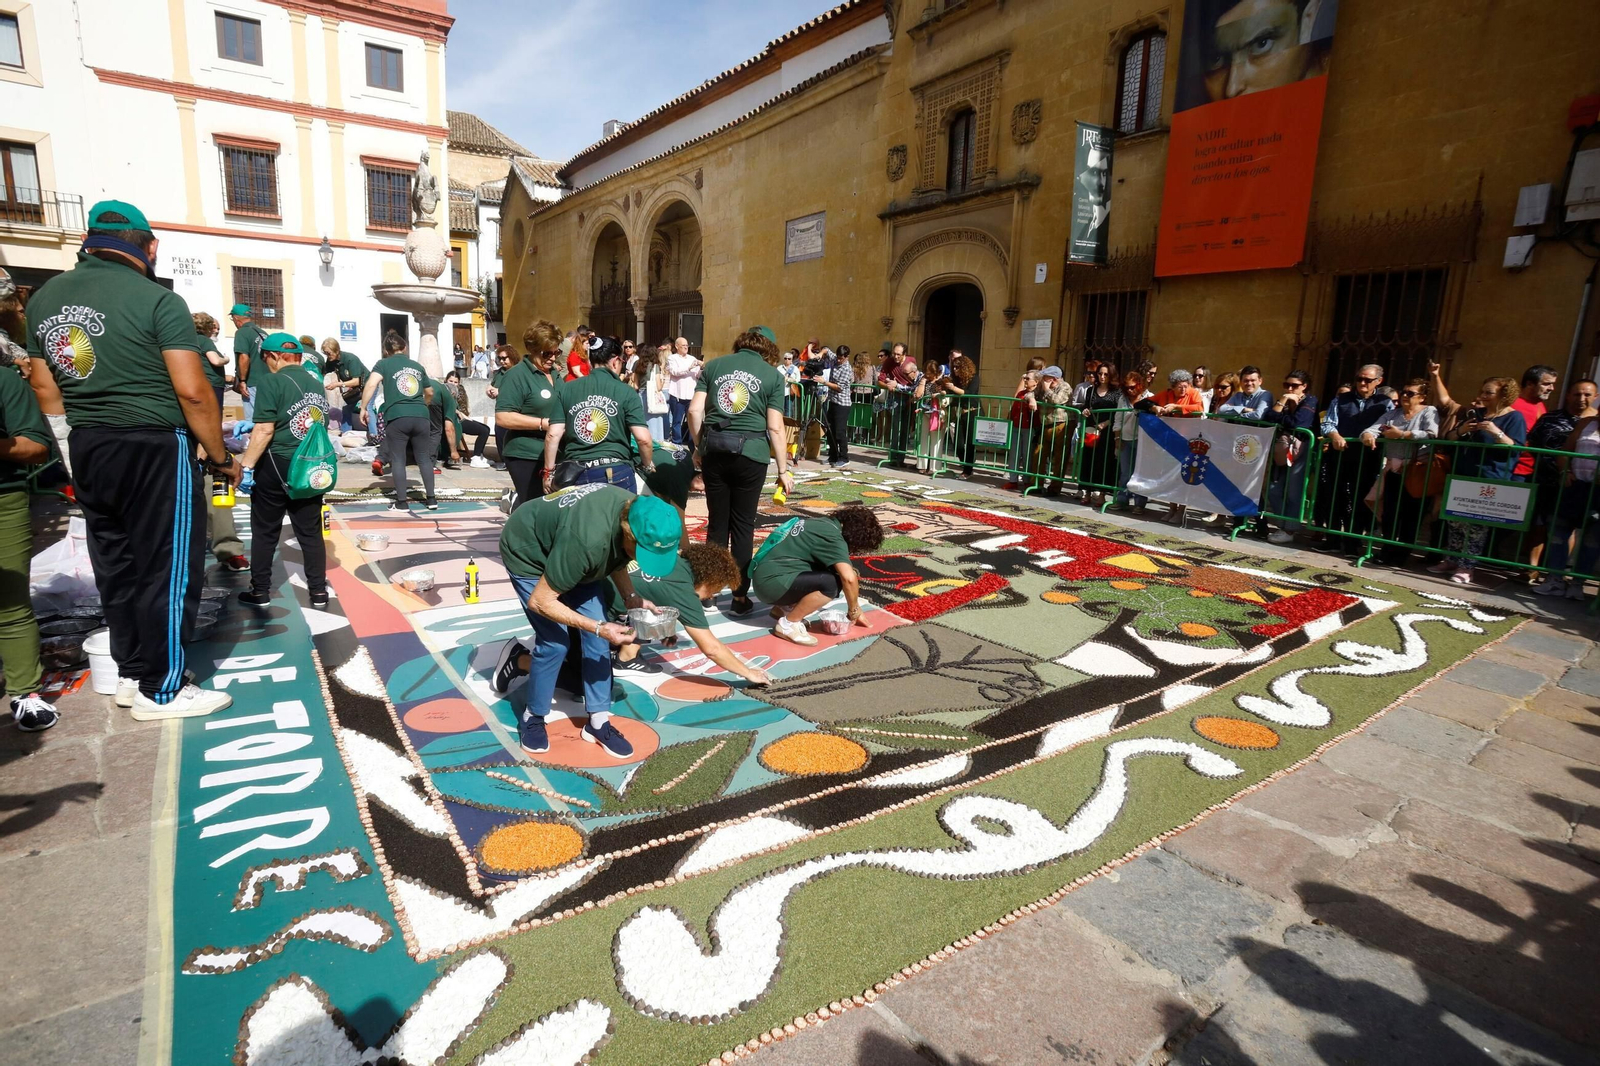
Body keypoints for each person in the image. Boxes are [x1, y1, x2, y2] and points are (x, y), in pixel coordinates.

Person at [26, 199, 238, 719]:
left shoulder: (44, 299)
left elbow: (44, 385)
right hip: (154, 443)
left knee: (116, 565)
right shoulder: (156, 299)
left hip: (89, 442)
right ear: (149, 247)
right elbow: (192, 391)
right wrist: (218, 456)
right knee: (168, 568)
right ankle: (162, 688)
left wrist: (70, 449)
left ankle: (131, 672)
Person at [493, 485, 683, 759]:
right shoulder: (587, 541)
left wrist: (631, 597)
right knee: (555, 642)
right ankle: (533, 715)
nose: (642, 560)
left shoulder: (637, 513)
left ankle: (598, 722)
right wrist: (597, 625)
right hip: (529, 551)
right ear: (626, 532)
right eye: (641, 552)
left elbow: (616, 558)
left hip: (569, 551)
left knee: (597, 639)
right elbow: (541, 602)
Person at [688, 325, 792, 616]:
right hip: (752, 455)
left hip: (716, 451)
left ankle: (707, 591)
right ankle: (739, 596)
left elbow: (695, 411)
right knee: (743, 527)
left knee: (717, 523)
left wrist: (700, 446)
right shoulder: (774, 376)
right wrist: (783, 469)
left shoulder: (716, 365)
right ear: (769, 349)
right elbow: (775, 426)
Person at [236, 333, 332, 609]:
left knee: (266, 530)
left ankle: (260, 590)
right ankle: (318, 592)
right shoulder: (316, 385)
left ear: (275, 356)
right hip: (310, 466)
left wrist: (247, 466)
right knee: (310, 533)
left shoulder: (271, 382)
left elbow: (265, 429)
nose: (265, 364)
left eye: (265, 358)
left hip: (277, 464)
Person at [0, 357, 60, 729]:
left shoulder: (6, 381)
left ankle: (25, 691)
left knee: (9, 599)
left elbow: (37, 447)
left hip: (3, 499)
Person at [1431, 377, 1527, 585]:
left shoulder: (1514, 418)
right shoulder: (1476, 414)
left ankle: (1467, 567)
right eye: (1482, 391)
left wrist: (1496, 432)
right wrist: (1461, 431)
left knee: (1475, 525)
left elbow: (1516, 447)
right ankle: (1451, 559)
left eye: (1488, 392)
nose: (1482, 396)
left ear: (1504, 394)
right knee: (1455, 520)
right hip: (1463, 474)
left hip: (1489, 477)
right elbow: (1450, 438)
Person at [750, 506, 883, 646]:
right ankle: (789, 624)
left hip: (766, 578)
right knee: (832, 583)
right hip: (772, 584)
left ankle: (783, 609)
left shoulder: (823, 523)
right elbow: (848, 579)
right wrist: (854, 610)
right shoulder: (833, 537)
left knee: (830, 569)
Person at [544, 336, 653, 494]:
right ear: (615, 361)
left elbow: (553, 435)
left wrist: (548, 473)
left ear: (589, 361)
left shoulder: (567, 389)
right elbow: (643, 439)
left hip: (576, 472)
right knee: (618, 518)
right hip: (616, 471)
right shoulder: (626, 392)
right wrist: (647, 465)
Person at [1361, 377, 1438, 566]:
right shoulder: (1393, 414)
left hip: (1418, 472)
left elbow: (1431, 434)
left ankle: (1402, 554)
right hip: (1394, 471)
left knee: (1411, 516)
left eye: (1410, 393)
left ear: (1422, 397)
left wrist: (1403, 435)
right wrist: (1368, 435)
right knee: (1390, 513)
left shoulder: (1429, 411)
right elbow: (1372, 428)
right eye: (1403, 392)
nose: (1404, 396)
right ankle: (1387, 550)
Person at [1317, 363, 1392, 553]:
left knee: (1361, 499)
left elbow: (1387, 426)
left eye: (1368, 380)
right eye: (1359, 379)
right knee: (1335, 496)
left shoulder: (1385, 403)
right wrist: (1335, 436)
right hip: (1340, 454)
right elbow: (1328, 423)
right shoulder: (1341, 399)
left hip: (1368, 457)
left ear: (1378, 381)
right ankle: (1332, 538)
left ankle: (1354, 541)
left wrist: (1373, 435)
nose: (1362, 383)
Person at [195, 312, 249, 573]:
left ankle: (228, 549)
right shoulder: (197, 346)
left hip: (205, 423)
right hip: (180, 428)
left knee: (217, 481)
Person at [359, 331, 435, 512]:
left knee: (398, 459)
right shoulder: (416, 366)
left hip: (397, 415)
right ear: (405, 348)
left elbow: (371, 384)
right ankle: (431, 499)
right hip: (421, 416)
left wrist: (363, 408)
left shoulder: (383, 364)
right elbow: (430, 391)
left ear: (386, 351)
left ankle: (402, 502)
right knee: (424, 458)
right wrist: (422, 405)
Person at [1527, 379, 1598, 574]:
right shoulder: (1550, 418)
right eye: (1576, 394)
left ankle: (1557, 572)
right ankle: (1532, 568)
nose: (1581, 399)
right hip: (1547, 479)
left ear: (1595, 397)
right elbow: (1532, 443)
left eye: (1587, 395)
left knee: (1571, 528)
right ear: (1567, 395)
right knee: (1540, 523)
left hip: (1578, 484)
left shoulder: (1592, 421)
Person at [496, 323, 560, 507]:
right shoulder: (516, 375)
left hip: (553, 452)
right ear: (532, 349)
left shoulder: (554, 373)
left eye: (556, 353)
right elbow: (503, 416)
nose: (552, 358)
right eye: (547, 353)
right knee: (533, 507)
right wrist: (543, 423)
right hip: (526, 454)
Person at [1262, 370, 1319, 543]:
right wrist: (1284, 400)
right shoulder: (1286, 400)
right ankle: (1284, 525)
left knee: (1294, 491)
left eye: (1294, 385)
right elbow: (1268, 417)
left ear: (1304, 386)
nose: (1290, 388)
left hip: (1301, 450)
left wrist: (1281, 418)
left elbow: (1299, 423)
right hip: (1283, 450)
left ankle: (1290, 530)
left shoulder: (1310, 401)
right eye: (1286, 385)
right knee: (1273, 489)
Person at [1150, 368, 1206, 524]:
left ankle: (1181, 511)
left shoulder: (1193, 393)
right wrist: (1155, 408)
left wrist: (1176, 406)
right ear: (1172, 386)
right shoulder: (1164, 394)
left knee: (1183, 477)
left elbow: (1199, 408)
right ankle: (1172, 508)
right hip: (1169, 441)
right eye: (1180, 386)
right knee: (1169, 476)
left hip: (1187, 442)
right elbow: (1144, 402)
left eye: (1186, 385)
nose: (1183, 389)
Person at [1110, 362, 1155, 513]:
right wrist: (1117, 439)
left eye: (1133, 387)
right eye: (1127, 387)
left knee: (1141, 472)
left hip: (1143, 441)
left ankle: (1139, 503)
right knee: (1125, 472)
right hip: (1125, 438)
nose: (1130, 390)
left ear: (1140, 385)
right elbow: (1117, 419)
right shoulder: (1122, 399)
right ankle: (1122, 500)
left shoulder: (1150, 397)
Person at [1075, 362, 1120, 502]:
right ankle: (1086, 492)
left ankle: (1102, 494)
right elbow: (1086, 406)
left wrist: (1106, 423)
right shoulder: (1091, 390)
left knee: (1104, 461)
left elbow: (1118, 412)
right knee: (1088, 459)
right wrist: (1085, 411)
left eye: (1106, 374)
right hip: (1091, 429)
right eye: (1100, 373)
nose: (1102, 377)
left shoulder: (1117, 392)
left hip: (1107, 431)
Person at [1511, 364, 1557, 482]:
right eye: (1546, 384)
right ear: (1530, 384)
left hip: (1532, 470)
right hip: (1514, 470)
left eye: (1553, 384)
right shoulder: (1513, 405)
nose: (1552, 388)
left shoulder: (1539, 403)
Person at [877, 343, 921, 466]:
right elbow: (879, 381)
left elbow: (916, 378)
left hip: (909, 397)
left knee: (905, 429)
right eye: (894, 353)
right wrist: (888, 386)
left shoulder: (911, 360)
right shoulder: (889, 362)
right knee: (895, 428)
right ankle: (893, 457)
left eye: (898, 354)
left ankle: (901, 458)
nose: (895, 357)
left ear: (904, 354)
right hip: (895, 397)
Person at [1005, 362, 1043, 490]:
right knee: (1014, 453)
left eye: (1027, 378)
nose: (1024, 380)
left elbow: (1033, 397)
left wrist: (1032, 400)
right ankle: (1013, 480)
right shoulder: (1021, 393)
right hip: (1017, 426)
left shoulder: (1038, 394)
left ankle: (1027, 480)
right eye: (1024, 378)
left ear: (1036, 381)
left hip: (1030, 428)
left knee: (1027, 455)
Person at [444, 370, 492, 467]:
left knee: (486, 428)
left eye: (455, 382)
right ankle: (476, 458)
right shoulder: (443, 391)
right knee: (483, 430)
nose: (453, 384)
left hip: (460, 418)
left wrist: (465, 417)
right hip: (453, 421)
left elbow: (462, 408)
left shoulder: (459, 392)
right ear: (446, 381)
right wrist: (457, 412)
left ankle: (479, 455)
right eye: (451, 381)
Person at [229, 302, 267, 420]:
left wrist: (243, 381)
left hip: (252, 382)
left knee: (252, 420)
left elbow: (244, 357)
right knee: (264, 416)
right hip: (266, 381)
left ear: (236, 318)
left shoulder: (242, 332)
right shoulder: (263, 333)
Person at [322, 339, 368, 428]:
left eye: (329, 353)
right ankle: (346, 435)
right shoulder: (331, 361)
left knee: (367, 408)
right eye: (325, 354)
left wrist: (338, 384)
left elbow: (356, 381)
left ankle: (374, 435)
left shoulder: (351, 359)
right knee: (346, 410)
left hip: (368, 385)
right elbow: (325, 373)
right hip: (356, 389)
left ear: (337, 350)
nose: (328, 356)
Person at [823, 343, 855, 468]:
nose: (839, 360)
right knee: (830, 429)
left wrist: (824, 382)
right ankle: (833, 456)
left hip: (842, 403)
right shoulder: (835, 359)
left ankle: (844, 457)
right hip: (832, 400)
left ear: (847, 357)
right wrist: (820, 353)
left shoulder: (847, 369)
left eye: (841, 358)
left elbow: (839, 388)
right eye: (838, 357)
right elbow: (826, 350)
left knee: (839, 432)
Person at [666, 336, 701, 444]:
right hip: (678, 394)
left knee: (692, 419)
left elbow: (697, 375)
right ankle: (677, 442)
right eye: (683, 345)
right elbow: (675, 372)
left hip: (691, 394)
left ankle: (692, 442)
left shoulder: (692, 358)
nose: (686, 347)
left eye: (687, 345)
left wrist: (702, 368)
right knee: (677, 421)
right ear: (677, 346)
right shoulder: (672, 358)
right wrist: (689, 368)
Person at [916, 359, 949, 473]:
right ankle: (922, 465)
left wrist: (938, 395)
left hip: (938, 413)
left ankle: (934, 467)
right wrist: (923, 381)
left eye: (930, 372)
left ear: (936, 372)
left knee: (936, 441)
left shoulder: (942, 381)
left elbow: (946, 395)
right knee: (923, 439)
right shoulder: (924, 379)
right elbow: (918, 395)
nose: (927, 374)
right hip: (925, 411)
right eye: (926, 372)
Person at [486, 345, 516, 466]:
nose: (502, 361)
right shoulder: (499, 373)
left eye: (505, 358)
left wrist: (501, 392)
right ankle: (504, 460)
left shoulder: (518, 372)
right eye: (500, 358)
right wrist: (490, 390)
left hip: (514, 411)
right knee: (499, 433)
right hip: (501, 410)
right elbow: (494, 386)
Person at [428, 372, 463, 470]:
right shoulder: (449, 397)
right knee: (435, 431)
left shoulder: (436, 385)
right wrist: (453, 451)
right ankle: (429, 464)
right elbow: (449, 429)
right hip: (431, 398)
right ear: (453, 394)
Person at [635, 342, 670, 440]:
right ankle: (655, 443)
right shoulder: (655, 367)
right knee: (655, 423)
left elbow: (636, 385)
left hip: (640, 396)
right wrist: (662, 381)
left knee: (643, 422)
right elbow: (658, 387)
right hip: (652, 397)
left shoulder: (638, 365)